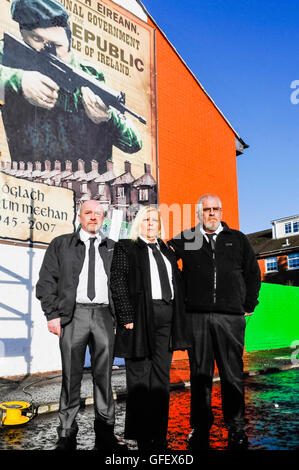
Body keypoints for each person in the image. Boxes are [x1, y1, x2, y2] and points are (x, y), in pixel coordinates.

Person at [0, 0, 142, 172]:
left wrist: (108, 118)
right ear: (23, 33)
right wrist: (19, 81)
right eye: (38, 39)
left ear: (69, 40)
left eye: (57, 45)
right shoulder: (10, 55)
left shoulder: (90, 74)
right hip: (30, 184)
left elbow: (134, 144)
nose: (49, 51)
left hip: (86, 188)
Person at [169, 194, 261, 451]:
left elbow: (253, 273)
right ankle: (199, 428)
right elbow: (164, 254)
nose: (211, 213)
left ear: (221, 211)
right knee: (200, 375)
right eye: (206, 210)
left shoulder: (238, 239)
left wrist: (248, 304)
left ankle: (236, 429)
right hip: (196, 317)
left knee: (232, 375)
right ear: (199, 213)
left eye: (215, 209)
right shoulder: (188, 238)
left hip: (230, 318)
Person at [36, 200, 125, 452]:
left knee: (104, 376)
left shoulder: (113, 248)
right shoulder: (61, 244)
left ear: (104, 218)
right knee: (71, 375)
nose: (94, 217)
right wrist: (52, 315)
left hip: (104, 316)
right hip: (73, 315)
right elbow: (46, 282)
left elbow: (121, 285)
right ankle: (66, 433)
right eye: (89, 213)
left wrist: (122, 318)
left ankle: (106, 432)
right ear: (80, 216)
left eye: (98, 214)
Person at [110, 205, 189, 453]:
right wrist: (126, 316)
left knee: (160, 380)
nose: (151, 224)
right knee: (140, 380)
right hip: (140, 316)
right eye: (146, 220)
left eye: (155, 220)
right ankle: (143, 439)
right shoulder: (127, 246)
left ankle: (159, 436)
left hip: (166, 317)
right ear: (138, 224)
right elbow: (118, 280)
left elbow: (177, 281)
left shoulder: (166, 249)